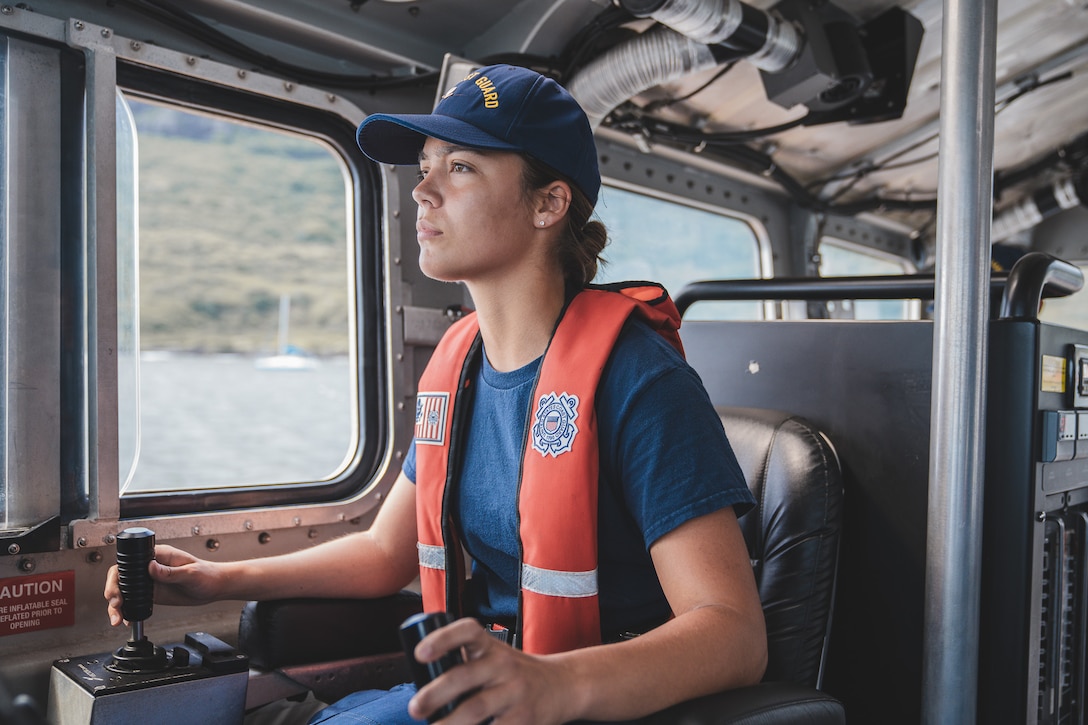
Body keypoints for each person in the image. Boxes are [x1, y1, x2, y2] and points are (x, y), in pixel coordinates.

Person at [105, 64, 767, 724]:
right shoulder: (457, 365)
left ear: (548, 203)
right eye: (424, 165)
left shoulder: (639, 377)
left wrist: (552, 685)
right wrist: (213, 580)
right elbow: (382, 552)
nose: (422, 189)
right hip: (476, 692)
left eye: (460, 167)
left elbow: (733, 633)